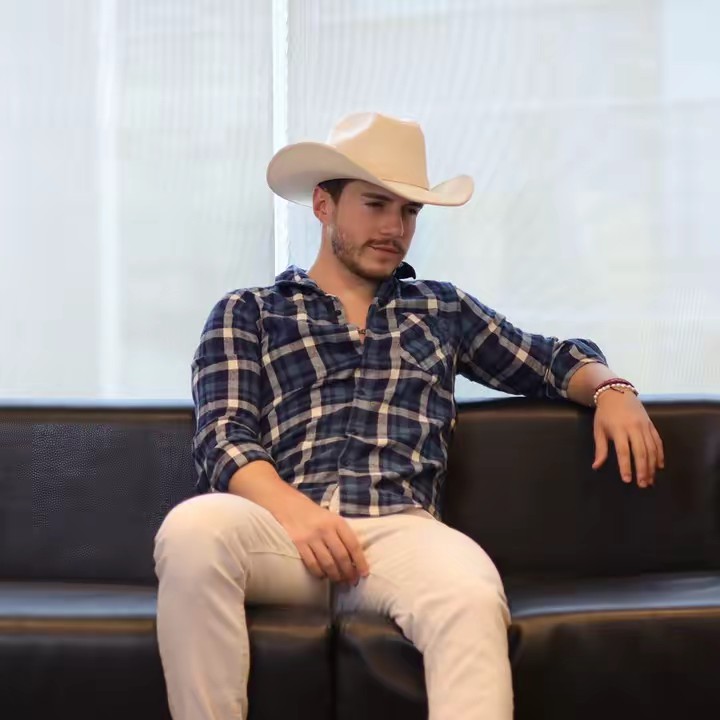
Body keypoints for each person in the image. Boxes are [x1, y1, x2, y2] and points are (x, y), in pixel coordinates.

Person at [154, 112, 665, 719]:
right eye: (375, 205)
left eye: (409, 212)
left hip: (399, 533)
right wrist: (297, 514)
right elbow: (223, 436)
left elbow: (552, 361)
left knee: (471, 593)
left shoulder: (441, 309)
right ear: (323, 205)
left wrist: (614, 389)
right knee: (192, 532)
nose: (395, 228)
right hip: (281, 531)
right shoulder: (250, 311)